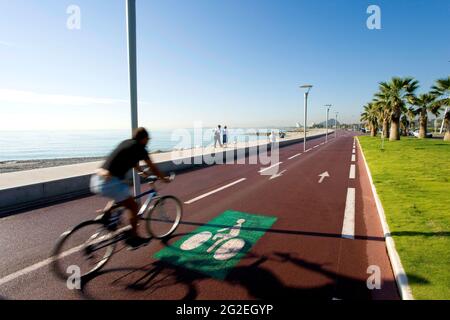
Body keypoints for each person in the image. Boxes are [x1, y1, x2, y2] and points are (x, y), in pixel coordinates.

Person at [90, 127, 169, 250]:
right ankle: (133, 238)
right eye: (147, 139)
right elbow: (153, 167)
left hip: (96, 178)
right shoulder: (141, 149)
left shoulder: (126, 143)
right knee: (133, 206)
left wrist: (141, 172)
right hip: (109, 182)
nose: (148, 141)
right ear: (143, 139)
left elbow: (132, 160)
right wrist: (164, 178)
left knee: (124, 190)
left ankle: (107, 216)